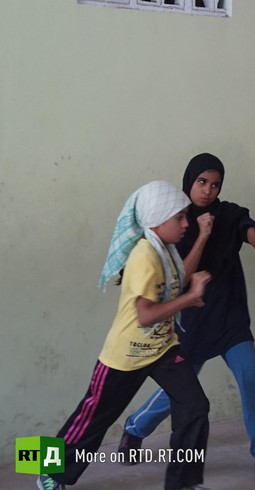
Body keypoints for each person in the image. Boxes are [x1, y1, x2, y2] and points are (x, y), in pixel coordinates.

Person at [117, 154, 255, 479]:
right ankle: (136, 427)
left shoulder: (230, 214)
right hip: (193, 319)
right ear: (189, 182)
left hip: (231, 318)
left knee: (251, 380)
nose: (208, 190)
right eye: (202, 182)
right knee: (180, 392)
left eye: (215, 184)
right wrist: (202, 235)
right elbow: (183, 276)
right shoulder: (177, 222)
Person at [38, 181, 211, 490]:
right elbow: (145, 315)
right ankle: (47, 471)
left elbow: (179, 278)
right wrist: (190, 297)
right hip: (125, 355)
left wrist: (203, 239)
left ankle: (183, 483)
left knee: (195, 405)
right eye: (180, 218)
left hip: (161, 348)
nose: (186, 223)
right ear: (157, 219)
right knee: (90, 419)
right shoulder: (145, 255)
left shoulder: (166, 249)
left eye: (187, 217)